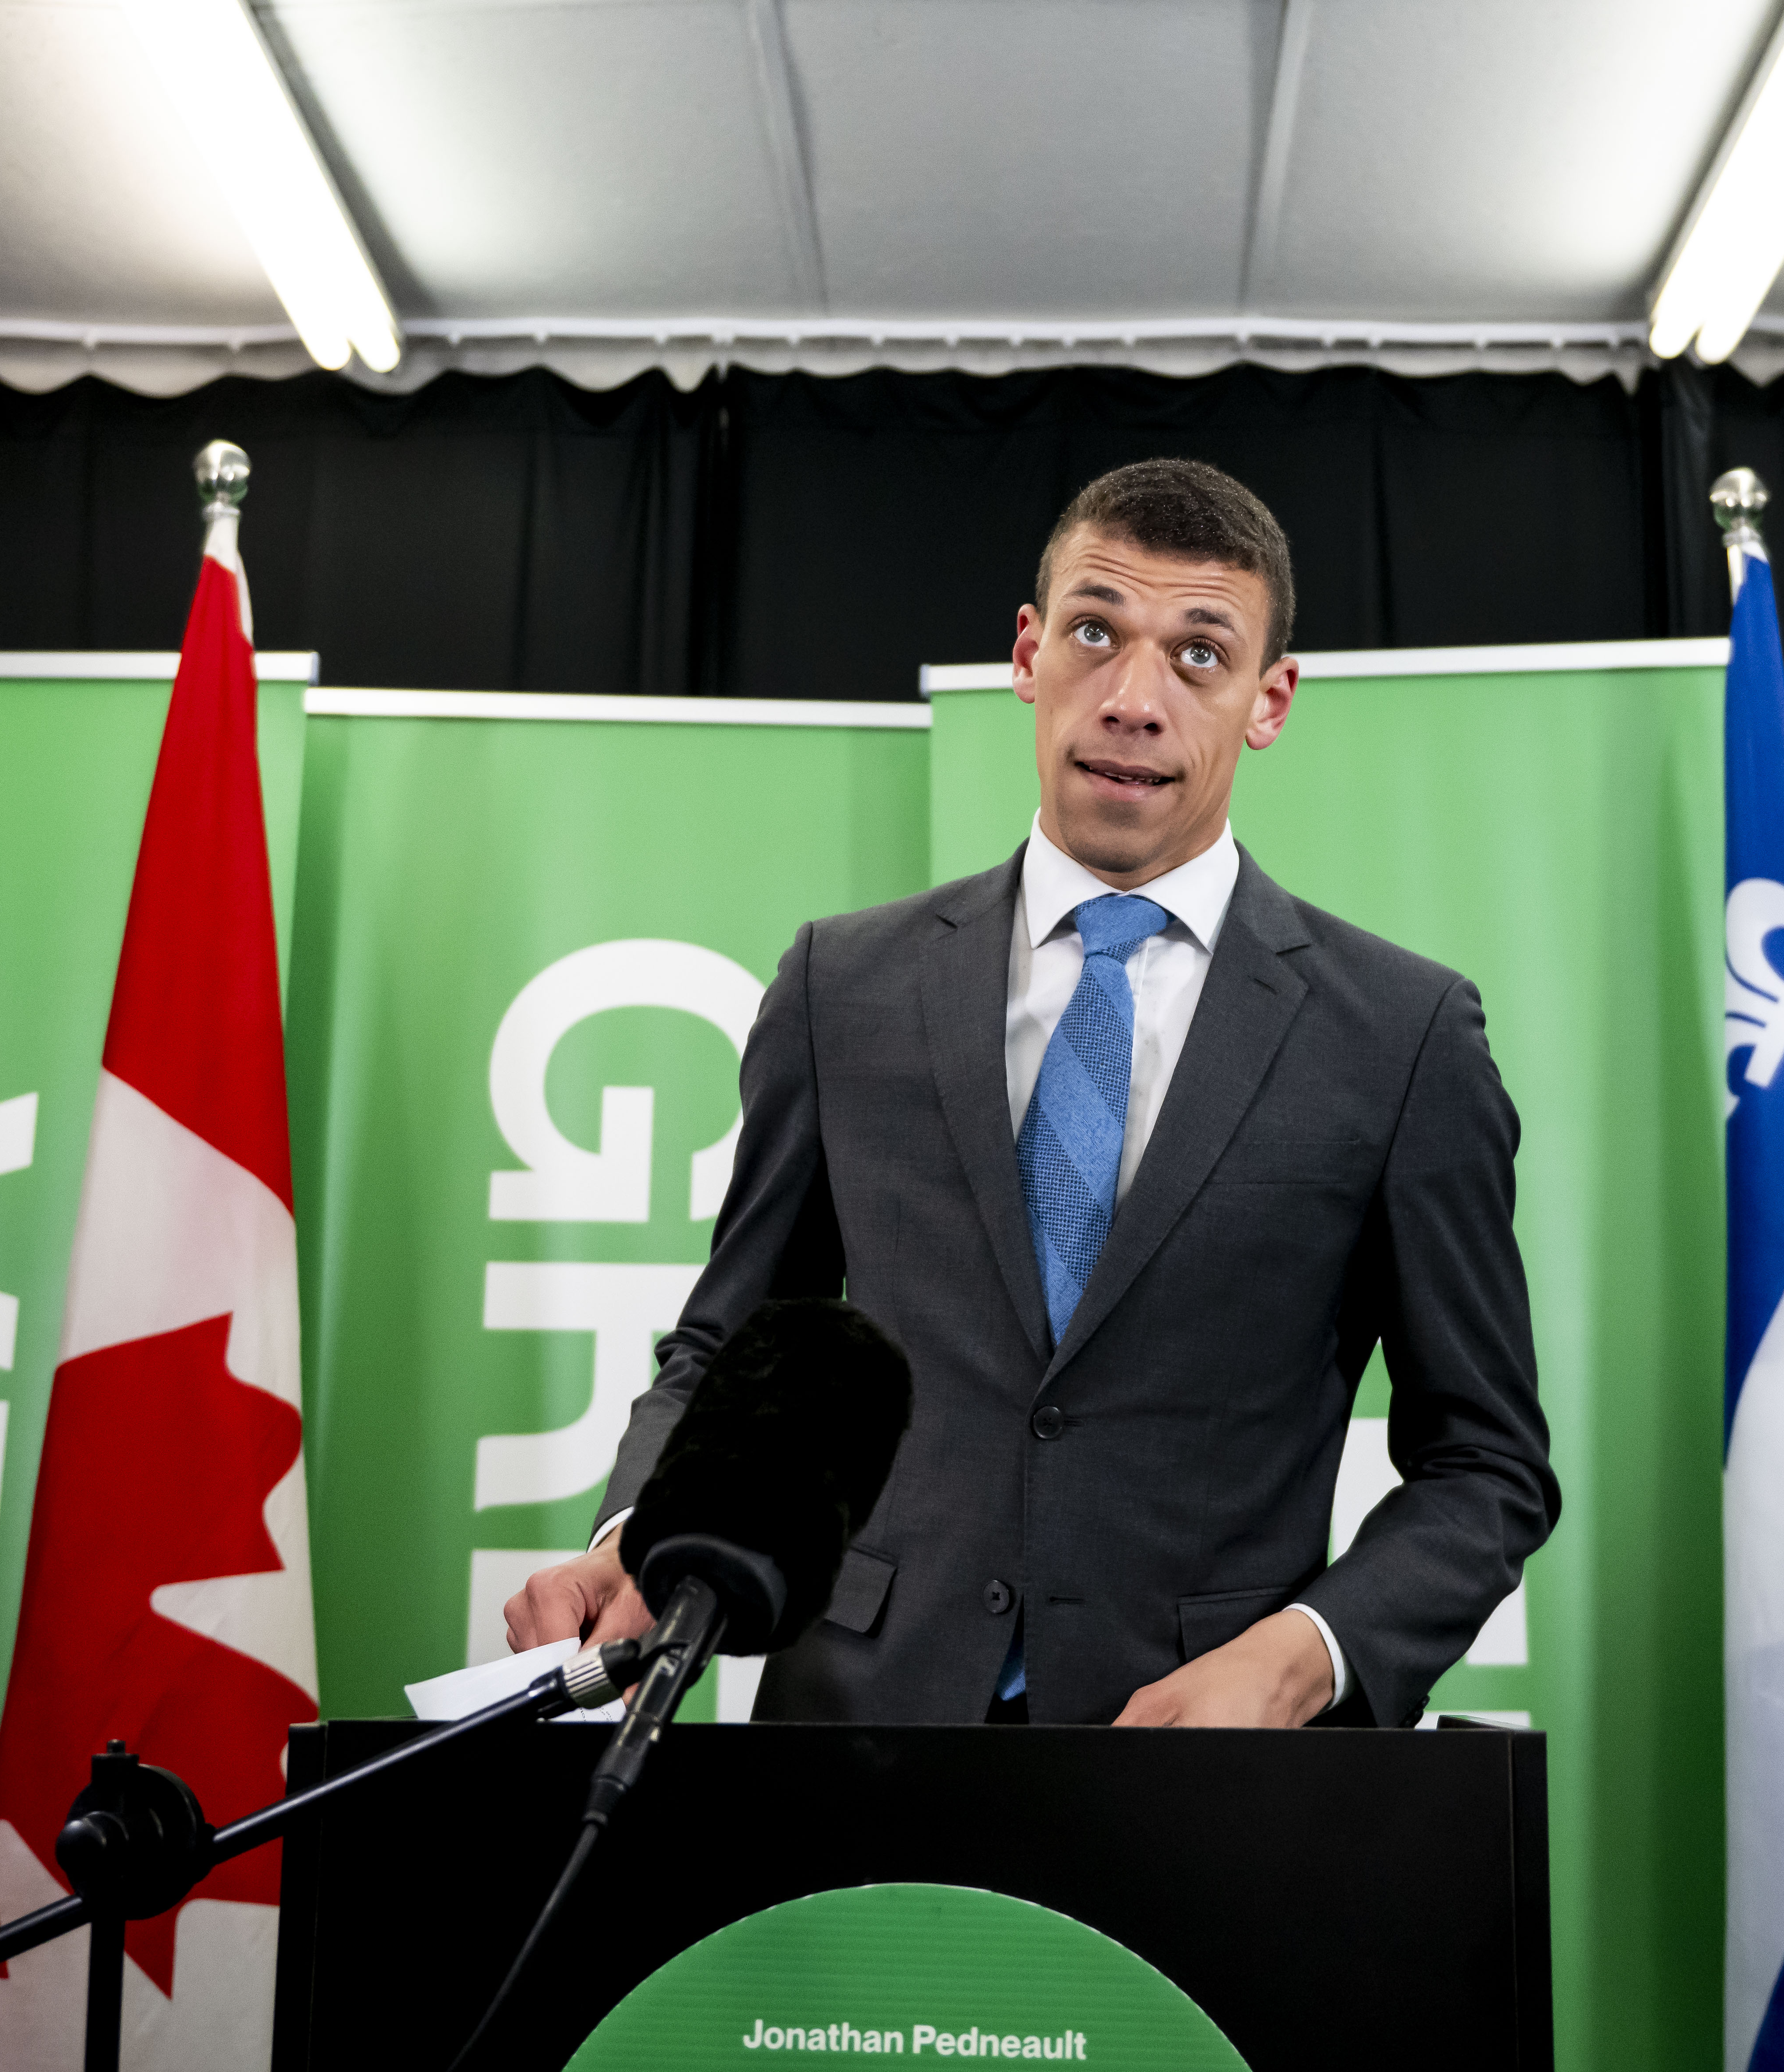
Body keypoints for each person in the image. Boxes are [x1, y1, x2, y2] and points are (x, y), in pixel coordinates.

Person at [504, 459, 1556, 1728]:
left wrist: (1299, 1658)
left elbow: (1484, 1465)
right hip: (855, 1735)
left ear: (1269, 700)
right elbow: (733, 1347)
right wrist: (635, 1532)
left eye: (1199, 655)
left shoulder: (1401, 1035)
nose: (1134, 701)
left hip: (1203, 1771)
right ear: (1028, 651)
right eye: (1096, 632)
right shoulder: (843, 985)